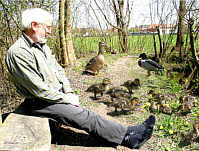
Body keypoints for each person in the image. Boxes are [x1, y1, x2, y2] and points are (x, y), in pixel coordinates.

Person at [5, 8, 156, 149]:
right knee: (85, 115)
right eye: (47, 27)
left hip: (53, 96)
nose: (50, 32)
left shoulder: (41, 46)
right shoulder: (19, 53)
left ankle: (121, 134)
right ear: (34, 26)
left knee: (82, 112)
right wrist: (65, 98)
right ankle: (129, 137)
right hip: (40, 102)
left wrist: (69, 91)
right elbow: (38, 90)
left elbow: (58, 70)